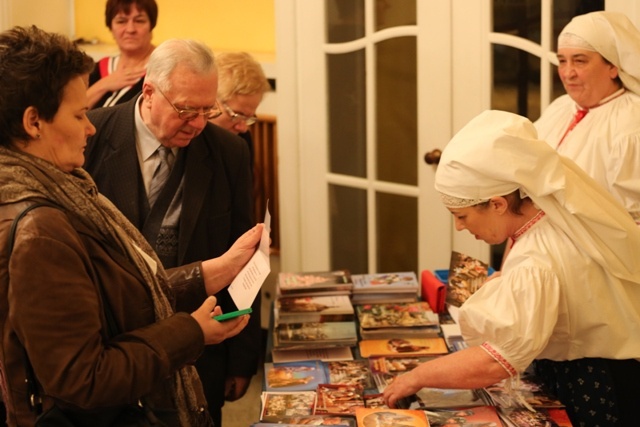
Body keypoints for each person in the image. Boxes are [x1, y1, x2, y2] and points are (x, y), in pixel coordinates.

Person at [0, 25, 264, 426]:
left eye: (206, 111)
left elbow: (110, 297)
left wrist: (212, 272)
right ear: (34, 122)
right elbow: (85, 378)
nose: (89, 127)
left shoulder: (61, 190)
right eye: (78, 114)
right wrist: (190, 332)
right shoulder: (40, 226)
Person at [382, 110, 640, 426]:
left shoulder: (536, 260)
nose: (459, 227)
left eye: (462, 216)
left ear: (497, 204)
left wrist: (417, 376)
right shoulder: (546, 216)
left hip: (594, 385)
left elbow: (496, 362)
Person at [83, 38, 260, 426]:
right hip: (113, 349)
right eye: (185, 110)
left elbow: (246, 256)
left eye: (206, 109)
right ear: (149, 91)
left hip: (201, 348)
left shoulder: (228, 151)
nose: (198, 123)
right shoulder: (89, 137)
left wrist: (243, 358)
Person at [534, 11, 640, 225]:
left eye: (579, 61)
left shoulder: (631, 123)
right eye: (562, 61)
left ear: (613, 66)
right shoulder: (560, 107)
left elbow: (631, 221)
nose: (567, 73)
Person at [87, 0, 158, 109]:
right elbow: (71, 111)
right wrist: (103, 85)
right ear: (110, 27)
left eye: (139, 21)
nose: (130, 29)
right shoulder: (96, 69)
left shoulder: (163, 70)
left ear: (151, 26)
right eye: (121, 21)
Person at [208, 51, 271, 172]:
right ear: (210, 102)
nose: (243, 128)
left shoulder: (241, 142)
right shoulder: (182, 138)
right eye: (236, 115)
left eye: (248, 118)